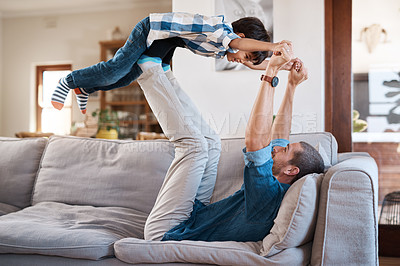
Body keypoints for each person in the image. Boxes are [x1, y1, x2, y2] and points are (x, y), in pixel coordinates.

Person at [135, 42, 325, 242]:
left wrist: (271, 71)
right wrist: (292, 86)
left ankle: (147, 72)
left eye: (284, 149)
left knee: (195, 147)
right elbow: (281, 134)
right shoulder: (281, 184)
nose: (275, 147)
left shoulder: (268, 197)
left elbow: (256, 141)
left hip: (169, 232)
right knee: (211, 143)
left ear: (291, 170)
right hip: (194, 214)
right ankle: (164, 73)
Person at [51, 12, 292, 114]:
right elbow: (240, 47)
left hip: (164, 45)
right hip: (151, 30)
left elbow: (253, 65)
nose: (242, 61)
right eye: (247, 54)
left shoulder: (224, 47)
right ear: (242, 38)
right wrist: (273, 46)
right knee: (117, 69)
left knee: (127, 78)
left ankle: (85, 88)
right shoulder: (219, 30)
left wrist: (283, 66)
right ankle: (67, 81)